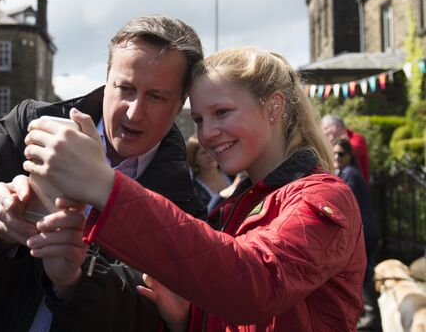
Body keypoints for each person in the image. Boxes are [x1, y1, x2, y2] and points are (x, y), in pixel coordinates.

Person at [24, 47, 367, 331]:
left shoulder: (322, 195)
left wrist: (106, 187)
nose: (208, 133)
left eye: (222, 112)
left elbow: (259, 285)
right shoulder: (233, 208)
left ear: (274, 106)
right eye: (201, 119)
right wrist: (187, 319)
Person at [0, 15, 206, 331]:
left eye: (156, 96)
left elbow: (152, 313)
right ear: (107, 78)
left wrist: (76, 278)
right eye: (125, 88)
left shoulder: (186, 209)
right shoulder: (32, 122)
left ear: (180, 104)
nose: (134, 111)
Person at [333, 139, 382, 331]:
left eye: (341, 154)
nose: (337, 157)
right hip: (364, 231)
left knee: (364, 274)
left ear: (349, 156)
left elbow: (344, 204)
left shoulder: (350, 175)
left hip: (366, 233)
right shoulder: (346, 173)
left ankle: (371, 316)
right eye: (335, 153)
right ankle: (369, 315)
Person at [322, 114, 370, 186]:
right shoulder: (332, 143)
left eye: (326, 128)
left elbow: (349, 151)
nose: (324, 132)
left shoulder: (357, 138)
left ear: (337, 127)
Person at [186, 136, 231, 212]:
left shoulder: (232, 173)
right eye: (203, 153)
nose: (210, 155)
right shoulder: (192, 189)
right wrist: (221, 196)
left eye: (212, 150)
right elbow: (204, 216)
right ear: (194, 158)